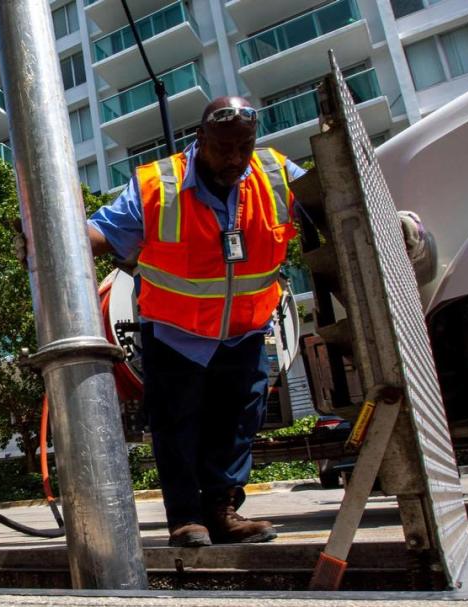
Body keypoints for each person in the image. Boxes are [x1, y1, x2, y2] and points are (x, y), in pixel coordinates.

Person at [87, 96, 305, 547]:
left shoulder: (275, 174)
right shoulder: (158, 184)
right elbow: (103, 234)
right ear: (199, 139)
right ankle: (186, 518)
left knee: (237, 423)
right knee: (177, 426)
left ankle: (223, 511)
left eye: (244, 146)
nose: (235, 158)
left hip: (244, 330)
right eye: (223, 147)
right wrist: (48, 229)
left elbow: (333, 200)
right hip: (175, 334)